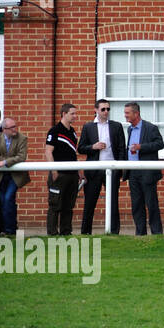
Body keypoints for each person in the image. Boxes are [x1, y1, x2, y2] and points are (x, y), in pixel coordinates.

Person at [77, 98, 125, 234]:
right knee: (90, 203)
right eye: (103, 109)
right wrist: (94, 146)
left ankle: (114, 232)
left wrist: (119, 168)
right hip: (94, 170)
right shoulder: (88, 127)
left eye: (108, 109)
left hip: (112, 168)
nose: (106, 112)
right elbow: (81, 148)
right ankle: (85, 232)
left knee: (113, 202)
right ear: (96, 110)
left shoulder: (116, 126)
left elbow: (122, 148)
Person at [123, 102, 164, 236]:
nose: (125, 116)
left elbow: (160, 144)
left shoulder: (150, 127)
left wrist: (141, 147)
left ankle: (157, 233)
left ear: (136, 113)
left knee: (151, 203)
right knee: (136, 204)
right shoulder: (130, 129)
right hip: (133, 171)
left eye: (127, 113)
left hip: (147, 171)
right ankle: (140, 233)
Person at [44, 102, 81, 236]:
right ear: (64, 114)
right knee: (55, 204)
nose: (75, 116)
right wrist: (54, 170)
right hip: (59, 174)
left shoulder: (72, 132)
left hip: (72, 175)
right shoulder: (54, 131)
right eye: (72, 113)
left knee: (68, 205)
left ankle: (66, 232)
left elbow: (72, 153)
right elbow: (48, 151)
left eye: (75, 113)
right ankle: (52, 233)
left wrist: (79, 172)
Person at [0, 117, 29, 235]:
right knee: (3, 202)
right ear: (4, 129)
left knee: (8, 199)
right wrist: (7, 160)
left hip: (15, 176)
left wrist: (5, 162)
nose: (15, 129)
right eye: (11, 128)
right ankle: (7, 229)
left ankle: (10, 230)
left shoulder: (22, 138)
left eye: (15, 126)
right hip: (0, 175)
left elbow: (21, 156)